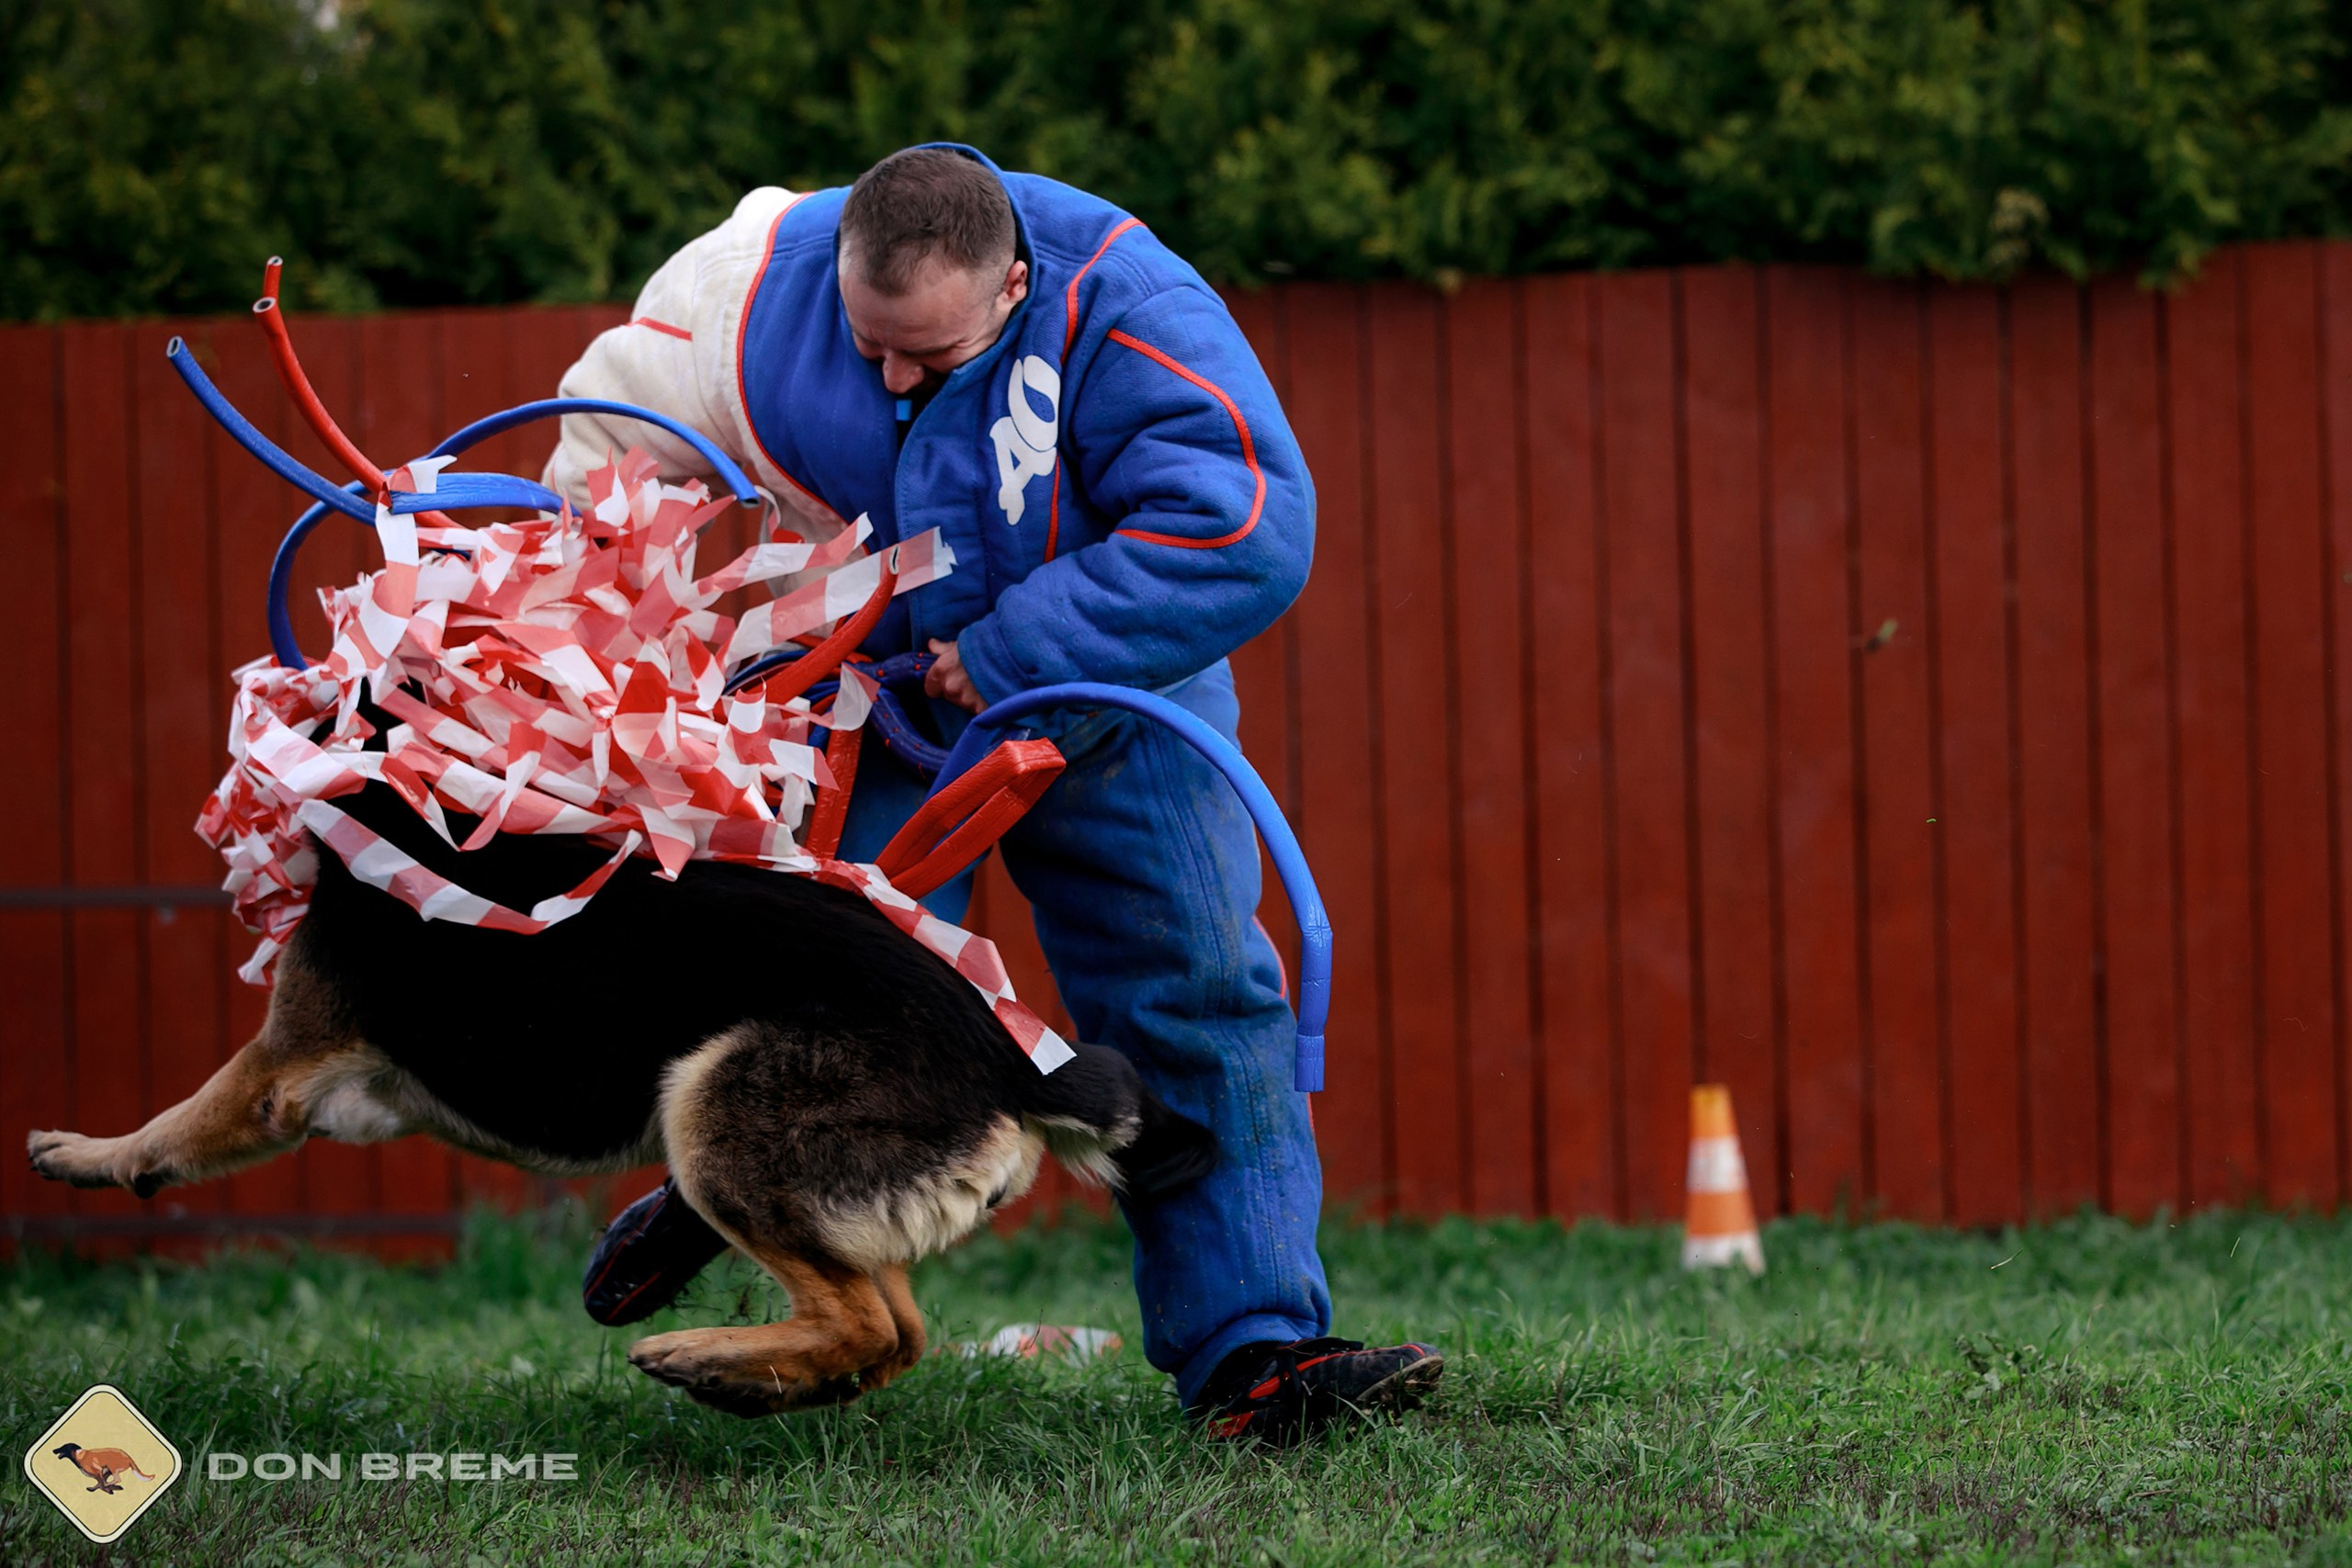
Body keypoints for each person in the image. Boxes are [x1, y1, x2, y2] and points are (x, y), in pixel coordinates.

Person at [547, 143, 1440, 1443]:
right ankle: (726, 1189)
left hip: (1114, 693)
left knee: (1197, 996)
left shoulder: (1129, 306)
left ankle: (1257, 1363)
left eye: (932, 359)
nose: (896, 380)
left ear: (1014, 285)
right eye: (871, 350)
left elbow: (1244, 522)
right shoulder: (742, 290)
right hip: (880, 696)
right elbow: (604, 456)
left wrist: (1019, 650)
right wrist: (587, 621)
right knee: (826, 1006)